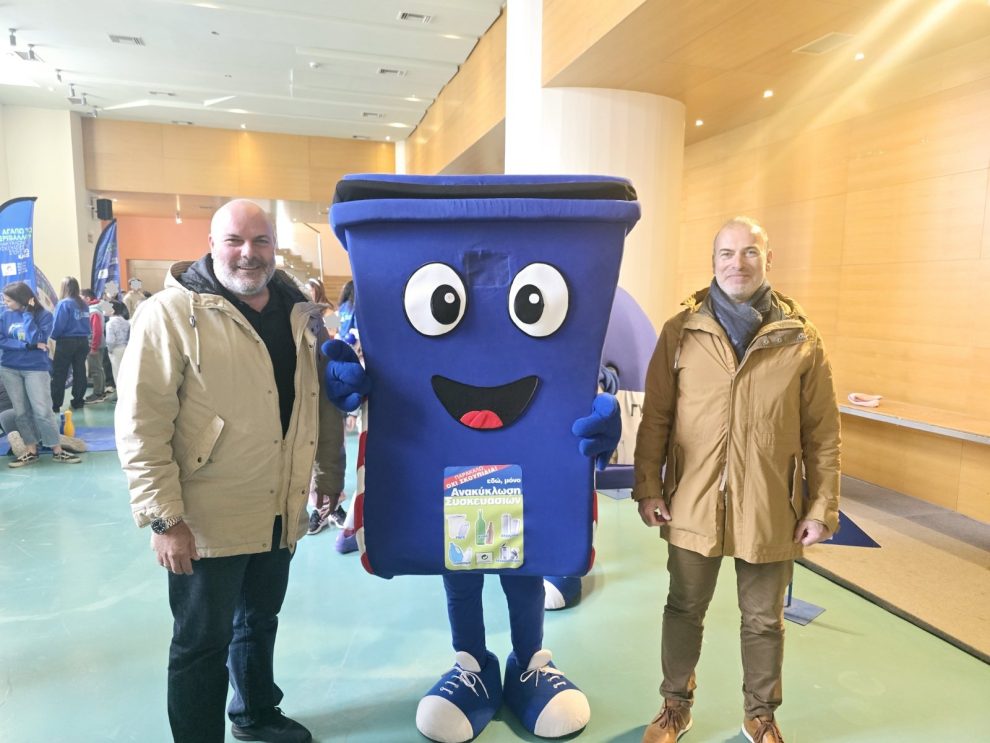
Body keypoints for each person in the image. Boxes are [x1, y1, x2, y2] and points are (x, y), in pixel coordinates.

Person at [115, 199, 344, 743]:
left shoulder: (301, 317)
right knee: (201, 644)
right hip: (204, 518)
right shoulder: (170, 315)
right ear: (212, 245)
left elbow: (320, 403)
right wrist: (163, 518)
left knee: (259, 622)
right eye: (235, 240)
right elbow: (141, 422)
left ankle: (256, 713)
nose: (248, 253)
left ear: (274, 248)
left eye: (261, 241)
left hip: (279, 507)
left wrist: (328, 475)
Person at [634, 217, 840, 743]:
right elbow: (656, 417)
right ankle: (674, 705)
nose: (738, 263)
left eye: (750, 252)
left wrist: (821, 506)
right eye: (726, 253)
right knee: (684, 607)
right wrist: (649, 487)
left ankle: (760, 715)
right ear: (713, 262)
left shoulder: (801, 339)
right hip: (693, 497)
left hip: (770, 503)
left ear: (768, 260)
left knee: (764, 620)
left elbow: (822, 433)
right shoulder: (681, 331)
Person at [0, 281, 81, 466]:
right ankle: (31, 450)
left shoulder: (44, 316)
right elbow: (2, 340)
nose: (5, 304)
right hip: (9, 368)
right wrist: (27, 346)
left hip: (35, 369)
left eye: (9, 300)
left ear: (22, 299)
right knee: (21, 412)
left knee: (42, 410)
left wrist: (28, 314)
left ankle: (57, 450)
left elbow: (36, 338)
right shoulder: (4, 315)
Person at [50, 276, 92, 412]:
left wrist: (53, 336)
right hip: (83, 341)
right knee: (80, 371)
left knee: (59, 372)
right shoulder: (84, 304)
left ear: (64, 288)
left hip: (66, 341)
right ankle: (78, 401)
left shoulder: (64, 303)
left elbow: (58, 325)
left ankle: (55, 404)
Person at [80, 288, 107, 403]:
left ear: (87, 298)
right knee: (99, 369)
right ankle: (101, 391)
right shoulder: (95, 309)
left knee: (96, 370)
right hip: (97, 344)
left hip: (95, 345)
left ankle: (98, 394)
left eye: (81, 298)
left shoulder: (93, 311)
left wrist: (94, 347)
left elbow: (97, 331)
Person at [105, 299, 130, 395]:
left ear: (112, 310)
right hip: (126, 348)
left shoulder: (110, 323)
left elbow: (110, 341)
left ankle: (121, 396)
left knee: (117, 373)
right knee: (126, 373)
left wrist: (109, 350)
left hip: (116, 350)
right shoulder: (126, 322)